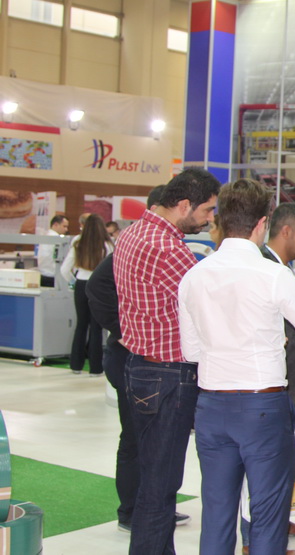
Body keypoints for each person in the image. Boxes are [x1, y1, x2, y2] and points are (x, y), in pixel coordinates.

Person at [179, 179, 295, 555]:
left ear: (220, 219)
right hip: (261, 407)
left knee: (216, 514)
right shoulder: (274, 275)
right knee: (267, 513)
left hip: (211, 406)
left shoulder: (194, 276)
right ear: (262, 223)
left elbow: (191, 352)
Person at [114, 167, 220, 555]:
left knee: (152, 477)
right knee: (161, 488)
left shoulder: (131, 234)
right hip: (169, 375)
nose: (209, 219)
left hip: (138, 366)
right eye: (206, 210)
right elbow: (206, 305)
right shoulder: (168, 249)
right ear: (184, 205)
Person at [86, 186, 188, 534]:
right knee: (134, 438)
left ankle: (149, 507)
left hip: (139, 354)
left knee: (151, 441)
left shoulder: (140, 242)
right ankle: (131, 511)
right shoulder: (139, 243)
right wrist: (124, 330)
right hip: (129, 355)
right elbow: (96, 289)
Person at [238, 202, 295, 553]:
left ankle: (277, 523)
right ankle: (255, 540)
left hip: (287, 383)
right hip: (266, 387)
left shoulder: (280, 268)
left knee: (279, 462)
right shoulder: (264, 269)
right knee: (261, 469)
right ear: (286, 231)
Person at [61, 214, 114, 375]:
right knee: (96, 327)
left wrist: (73, 282)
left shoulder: (78, 242)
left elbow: (65, 269)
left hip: (81, 285)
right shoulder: (107, 245)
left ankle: (76, 365)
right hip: (99, 288)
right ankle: (96, 368)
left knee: (81, 325)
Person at [37, 214, 69, 287]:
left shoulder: (45, 237)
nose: (66, 229)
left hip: (43, 275)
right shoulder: (57, 240)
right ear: (55, 225)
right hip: (53, 277)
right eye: (64, 226)